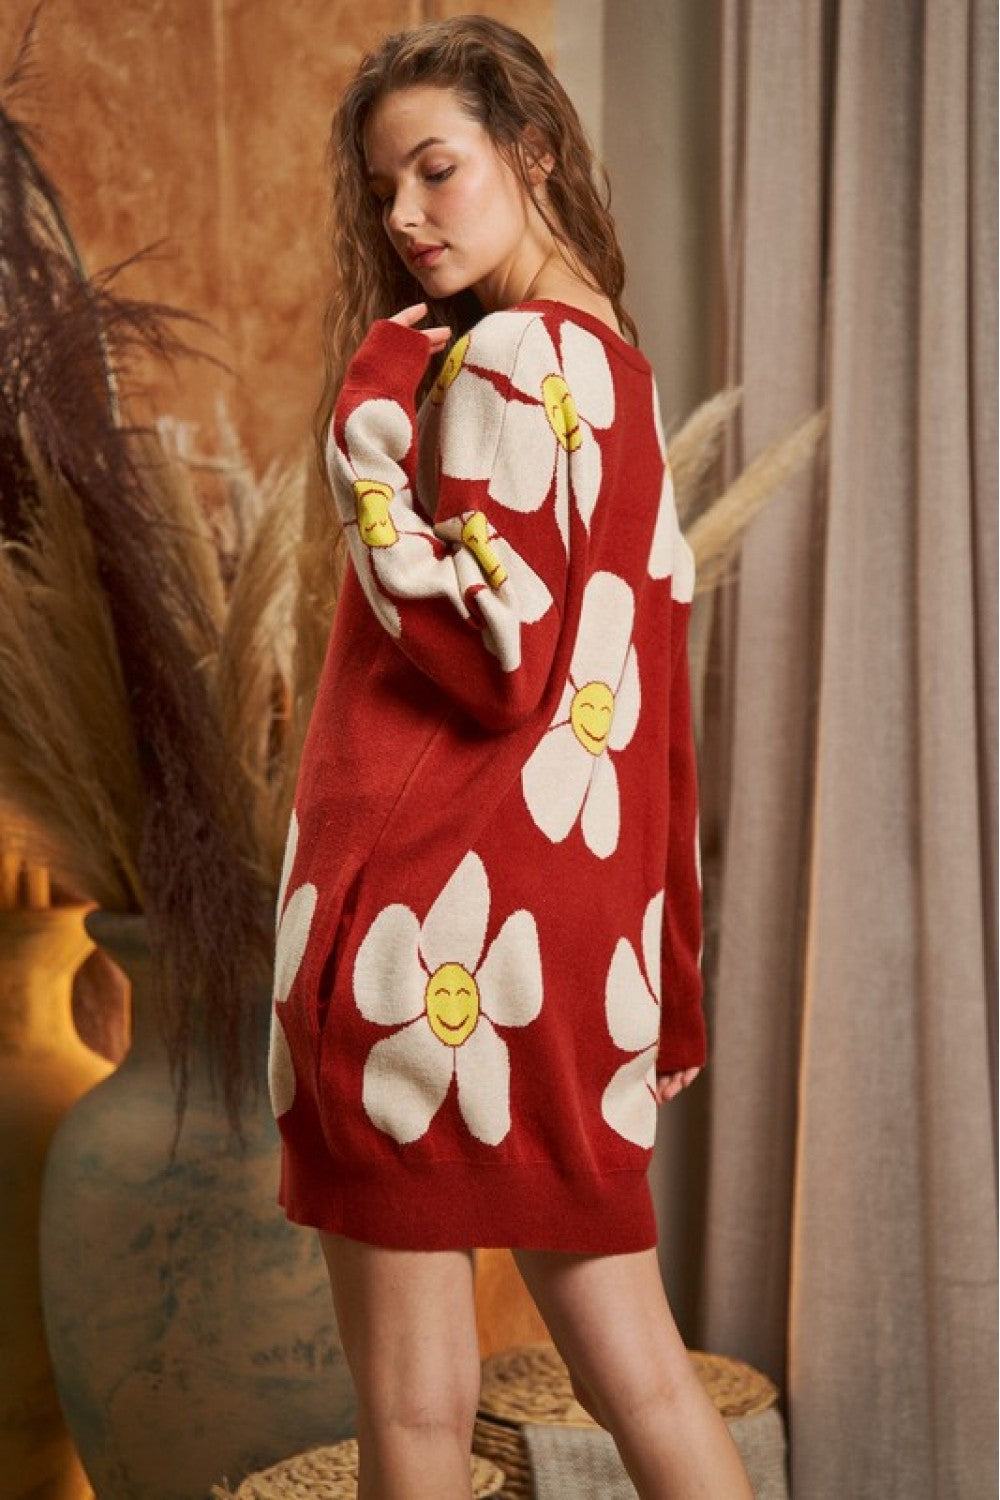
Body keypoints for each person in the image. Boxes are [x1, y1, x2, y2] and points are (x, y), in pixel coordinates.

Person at [268, 15, 754, 1500]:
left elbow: (491, 655)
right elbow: (642, 721)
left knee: (414, 1424)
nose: (406, 218)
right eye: (384, 191)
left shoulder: (496, 360)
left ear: (531, 152)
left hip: (427, 941)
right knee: (646, 1379)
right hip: (563, 959)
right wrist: (661, 976)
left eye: (438, 170)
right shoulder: (618, 369)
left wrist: (367, 424)